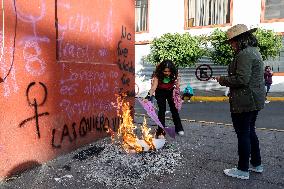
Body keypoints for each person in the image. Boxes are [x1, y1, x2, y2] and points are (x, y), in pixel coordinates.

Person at [214, 24, 266, 180]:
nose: (231, 44)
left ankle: (242, 169)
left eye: (232, 41)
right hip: (254, 99)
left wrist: (222, 79)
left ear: (240, 40)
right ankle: (257, 164)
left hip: (245, 100)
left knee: (243, 133)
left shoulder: (244, 54)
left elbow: (242, 79)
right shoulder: (254, 51)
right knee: (250, 131)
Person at [145, 59, 184, 138]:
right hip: (160, 92)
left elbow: (177, 87)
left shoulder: (174, 74)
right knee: (161, 111)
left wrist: (177, 82)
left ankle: (179, 128)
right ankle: (160, 132)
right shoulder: (157, 75)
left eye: (168, 71)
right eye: (165, 71)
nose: (167, 73)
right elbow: (153, 88)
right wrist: (148, 97)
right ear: (161, 70)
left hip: (170, 91)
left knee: (174, 110)